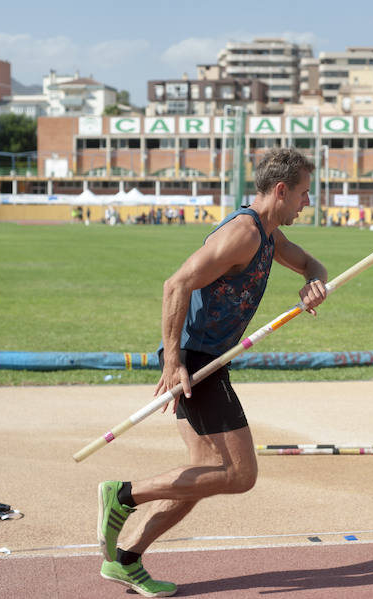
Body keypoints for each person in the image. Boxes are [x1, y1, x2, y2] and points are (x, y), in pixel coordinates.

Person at [96, 148, 328, 597]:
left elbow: (310, 263)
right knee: (239, 475)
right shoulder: (244, 232)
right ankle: (122, 496)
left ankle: (127, 558)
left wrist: (313, 282)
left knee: (204, 472)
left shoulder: (269, 235)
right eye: (302, 194)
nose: (306, 203)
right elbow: (176, 284)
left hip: (206, 358)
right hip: (198, 361)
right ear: (281, 190)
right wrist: (173, 361)